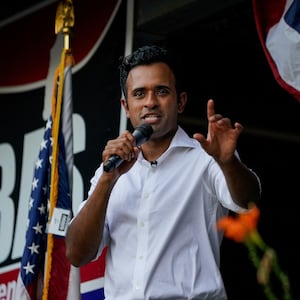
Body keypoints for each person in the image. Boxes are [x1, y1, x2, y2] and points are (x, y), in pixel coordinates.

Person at [65, 45, 261, 300]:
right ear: (126, 106)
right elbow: (77, 254)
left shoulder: (205, 158)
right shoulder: (109, 172)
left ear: (180, 102)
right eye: (139, 93)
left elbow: (248, 202)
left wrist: (228, 162)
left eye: (161, 91)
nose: (150, 102)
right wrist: (107, 180)